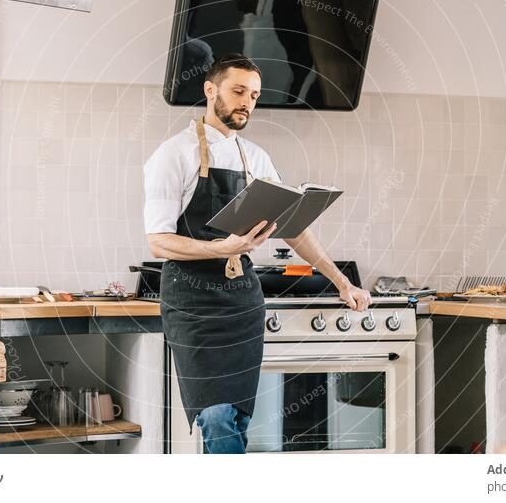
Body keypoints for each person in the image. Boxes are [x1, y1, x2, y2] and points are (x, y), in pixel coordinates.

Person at [143, 53, 371, 454]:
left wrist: (342, 282)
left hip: (242, 302)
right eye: (237, 91)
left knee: (237, 415)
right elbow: (159, 241)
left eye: (254, 94)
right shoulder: (173, 154)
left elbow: (294, 230)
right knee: (213, 414)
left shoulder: (257, 158)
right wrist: (223, 247)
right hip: (193, 303)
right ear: (210, 89)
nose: (247, 101)